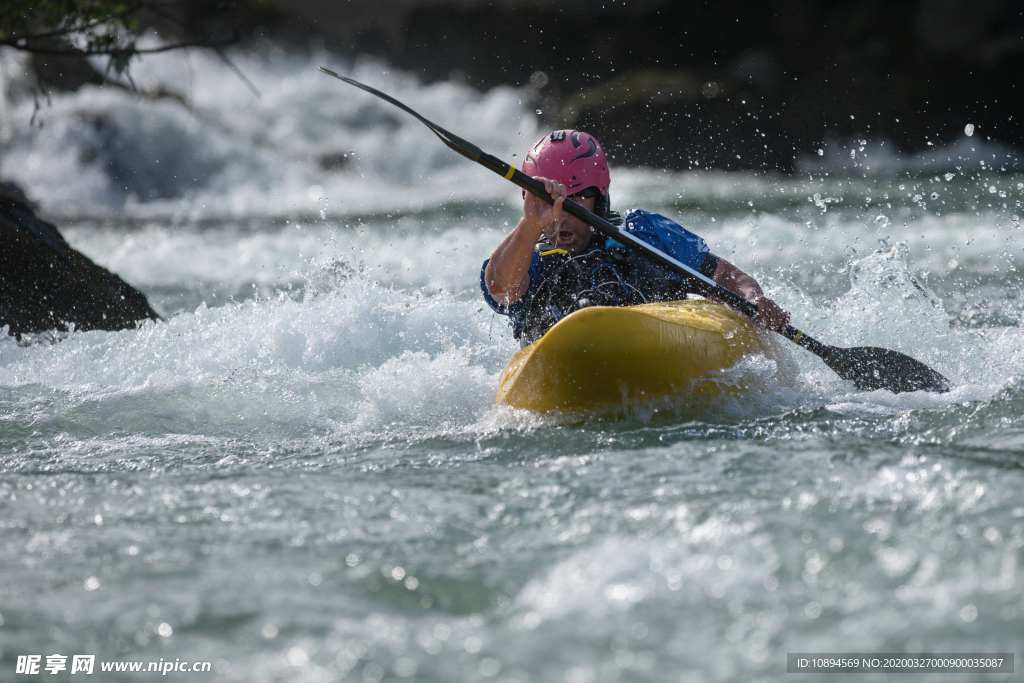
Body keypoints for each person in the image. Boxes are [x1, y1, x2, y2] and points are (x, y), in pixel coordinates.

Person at [481, 129, 791, 345]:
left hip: (657, 348)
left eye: (575, 201)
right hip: (559, 365)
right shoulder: (526, 255)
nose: (560, 216)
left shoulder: (644, 232)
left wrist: (753, 300)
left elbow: (724, 275)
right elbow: (499, 287)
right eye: (548, 204)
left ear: (599, 196)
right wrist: (530, 224)